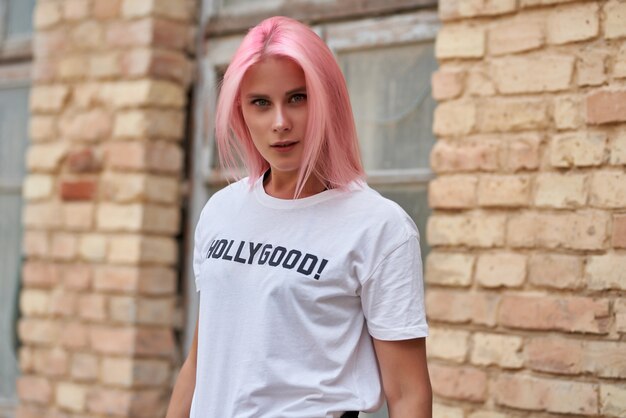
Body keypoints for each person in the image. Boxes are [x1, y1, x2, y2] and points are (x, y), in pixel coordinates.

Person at [166, 16, 431, 418]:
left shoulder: (379, 227)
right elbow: (200, 364)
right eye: (260, 103)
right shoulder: (222, 211)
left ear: (328, 101)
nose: (280, 123)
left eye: (297, 98)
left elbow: (409, 393)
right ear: (240, 111)